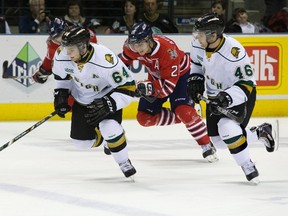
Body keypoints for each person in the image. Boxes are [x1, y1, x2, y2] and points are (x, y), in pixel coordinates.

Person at [187, 13, 277, 184]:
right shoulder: (197, 44)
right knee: (219, 142)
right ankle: (260, 132)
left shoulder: (234, 52)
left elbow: (247, 83)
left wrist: (227, 98)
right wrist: (195, 79)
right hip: (214, 96)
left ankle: (247, 165)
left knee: (227, 127)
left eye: (200, 33)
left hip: (239, 95)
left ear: (213, 35)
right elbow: (197, 64)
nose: (196, 37)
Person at [120, 21, 218, 163]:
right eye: (133, 44)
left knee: (183, 110)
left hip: (181, 77)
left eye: (140, 44)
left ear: (149, 40)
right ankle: (190, 116)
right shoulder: (132, 47)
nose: (136, 48)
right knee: (144, 118)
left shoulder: (168, 51)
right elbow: (122, 65)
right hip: (157, 77)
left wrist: (145, 88)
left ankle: (206, 144)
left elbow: (167, 89)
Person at [52, 26, 137, 178]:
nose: (67, 53)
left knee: (109, 127)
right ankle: (110, 138)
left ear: (83, 46)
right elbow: (61, 78)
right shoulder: (62, 55)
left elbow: (129, 87)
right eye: (65, 48)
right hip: (82, 100)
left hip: (107, 96)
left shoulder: (104, 59)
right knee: (81, 144)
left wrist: (109, 103)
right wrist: (61, 94)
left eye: (71, 49)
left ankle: (124, 162)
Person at [32, 17, 97, 84]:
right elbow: (49, 59)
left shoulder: (79, 33)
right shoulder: (52, 44)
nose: (59, 40)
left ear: (67, 29)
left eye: (60, 34)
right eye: (55, 38)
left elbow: (93, 49)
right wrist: (42, 72)